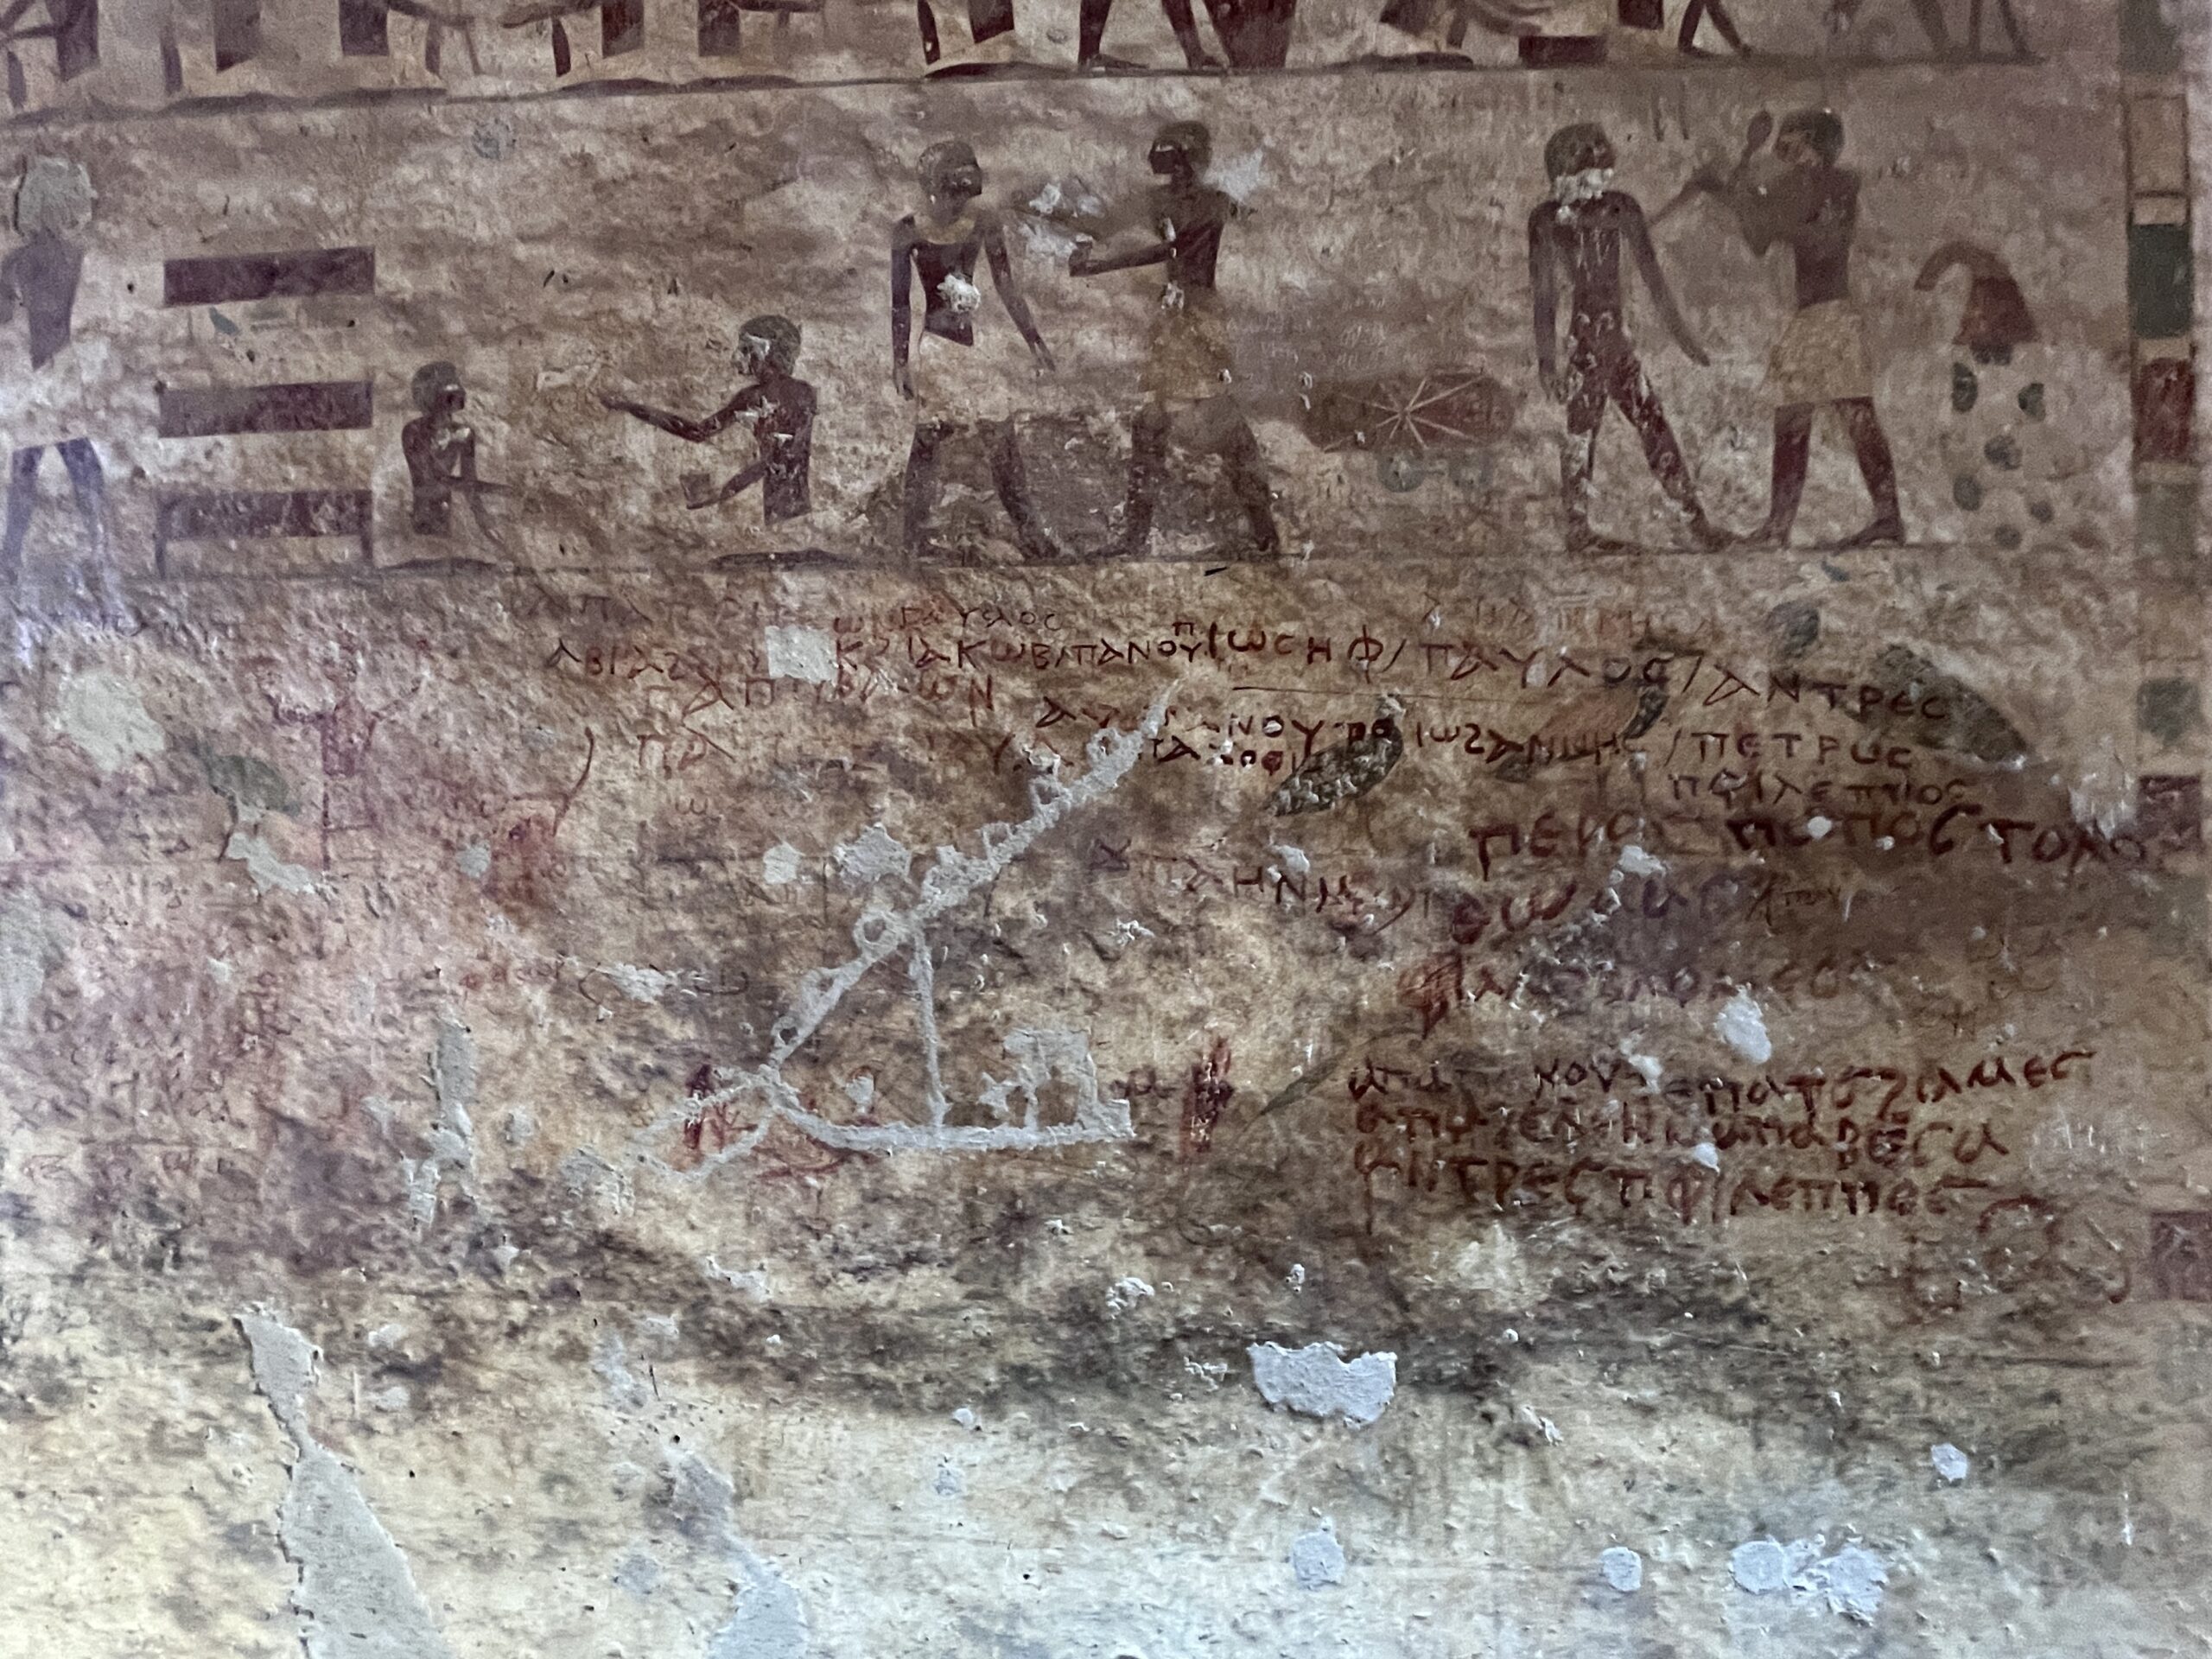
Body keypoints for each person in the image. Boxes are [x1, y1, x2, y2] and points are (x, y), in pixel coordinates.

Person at [1065, 120, 1279, 558]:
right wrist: (1076, 232)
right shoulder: (1189, 201)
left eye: (1179, 162)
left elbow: (1171, 248)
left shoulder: (1203, 202)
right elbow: (1111, 225)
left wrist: (1094, 261)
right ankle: (1255, 533)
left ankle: (1262, 532)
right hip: (1183, 316)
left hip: (1193, 318)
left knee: (1209, 424)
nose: (1177, 172)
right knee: (1160, 423)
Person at [1696, 108, 1903, 548]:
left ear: (1809, 139)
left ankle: (1781, 526)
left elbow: (1769, 231)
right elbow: (1765, 228)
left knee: (1812, 415)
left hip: (1822, 318)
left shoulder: (1813, 184)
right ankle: (1883, 517)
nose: (1782, 143)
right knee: (1846, 414)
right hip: (1829, 314)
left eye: (1789, 135)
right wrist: (1738, 186)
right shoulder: (1832, 184)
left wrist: (1735, 186)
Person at [1527, 122, 1726, 554]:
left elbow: (1653, 278)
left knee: (1651, 424)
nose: (1605, 180)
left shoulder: (1620, 208)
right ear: (1568, 173)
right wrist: (1547, 362)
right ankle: (1580, 530)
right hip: (1587, 344)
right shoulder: (1547, 219)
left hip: (1613, 341)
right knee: (1583, 433)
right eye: (1595, 172)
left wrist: (1683, 336)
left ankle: (1695, 522)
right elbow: (1544, 296)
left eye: (1606, 171)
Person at [891, 139, 1060, 561]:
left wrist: (1034, 339)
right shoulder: (908, 230)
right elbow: (900, 302)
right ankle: (913, 539)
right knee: (932, 441)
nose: (956, 202)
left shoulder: (982, 222)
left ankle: (1029, 533)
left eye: (962, 194)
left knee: (996, 440)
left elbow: (1006, 286)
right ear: (934, 187)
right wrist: (900, 362)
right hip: (938, 348)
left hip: (965, 349)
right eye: (950, 193)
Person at [601, 315, 815, 524]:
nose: (737, 357)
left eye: (746, 349)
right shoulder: (761, 396)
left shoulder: (788, 395)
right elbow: (697, 432)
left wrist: (722, 491)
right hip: (787, 510)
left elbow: (778, 458)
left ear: (768, 353)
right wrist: (631, 407)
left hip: (789, 512)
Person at [0, 156, 101, 584]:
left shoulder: (16, 263)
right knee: (81, 463)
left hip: (32, 371)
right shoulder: (77, 257)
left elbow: (3, 316)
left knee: (27, 465)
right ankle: (98, 547)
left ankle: (11, 556)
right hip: (65, 368)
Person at [402, 360, 507, 547]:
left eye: (456, 395)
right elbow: (429, 480)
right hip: (423, 517)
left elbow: (470, 485)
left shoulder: (464, 433)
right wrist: (498, 490)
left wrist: (485, 523)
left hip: (446, 517)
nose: (453, 402)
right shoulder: (413, 431)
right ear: (431, 398)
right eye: (447, 396)